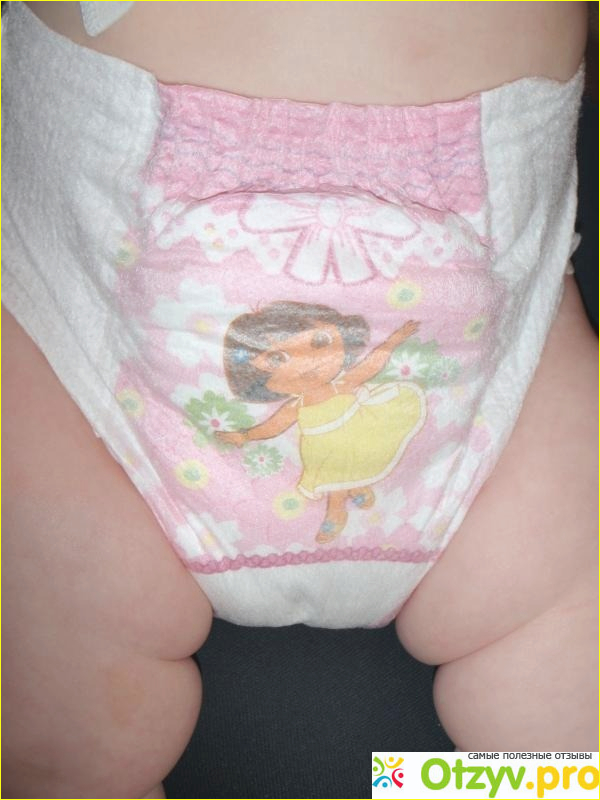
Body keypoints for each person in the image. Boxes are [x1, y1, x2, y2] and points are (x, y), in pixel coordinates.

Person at [2, 3, 597, 797]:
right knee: (60, 755)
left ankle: (430, 785)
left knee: (570, 757)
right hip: (89, 303)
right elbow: (278, 415)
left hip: (495, 327)